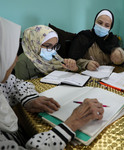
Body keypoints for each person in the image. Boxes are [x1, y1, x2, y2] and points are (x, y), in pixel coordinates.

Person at [0, 17, 104, 149]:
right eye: (9, 54)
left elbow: (15, 83)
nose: (14, 60)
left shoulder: (53, 57)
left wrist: (29, 98)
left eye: (55, 46)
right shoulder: (22, 62)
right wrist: (71, 124)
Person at [15, 25, 79, 80]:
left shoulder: (54, 55)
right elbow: (21, 86)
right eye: (48, 46)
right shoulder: (22, 61)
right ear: (35, 44)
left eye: (55, 46)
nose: (52, 50)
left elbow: (77, 69)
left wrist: (74, 68)